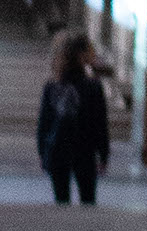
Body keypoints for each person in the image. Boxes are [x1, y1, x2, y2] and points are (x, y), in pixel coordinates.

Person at [37, 31, 110, 208]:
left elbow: (44, 124)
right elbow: (100, 124)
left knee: (61, 201)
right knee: (88, 201)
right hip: (84, 151)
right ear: (82, 55)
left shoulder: (52, 86)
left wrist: (42, 152)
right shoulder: (93, 86)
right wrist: (103, 155)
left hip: (57, 149)